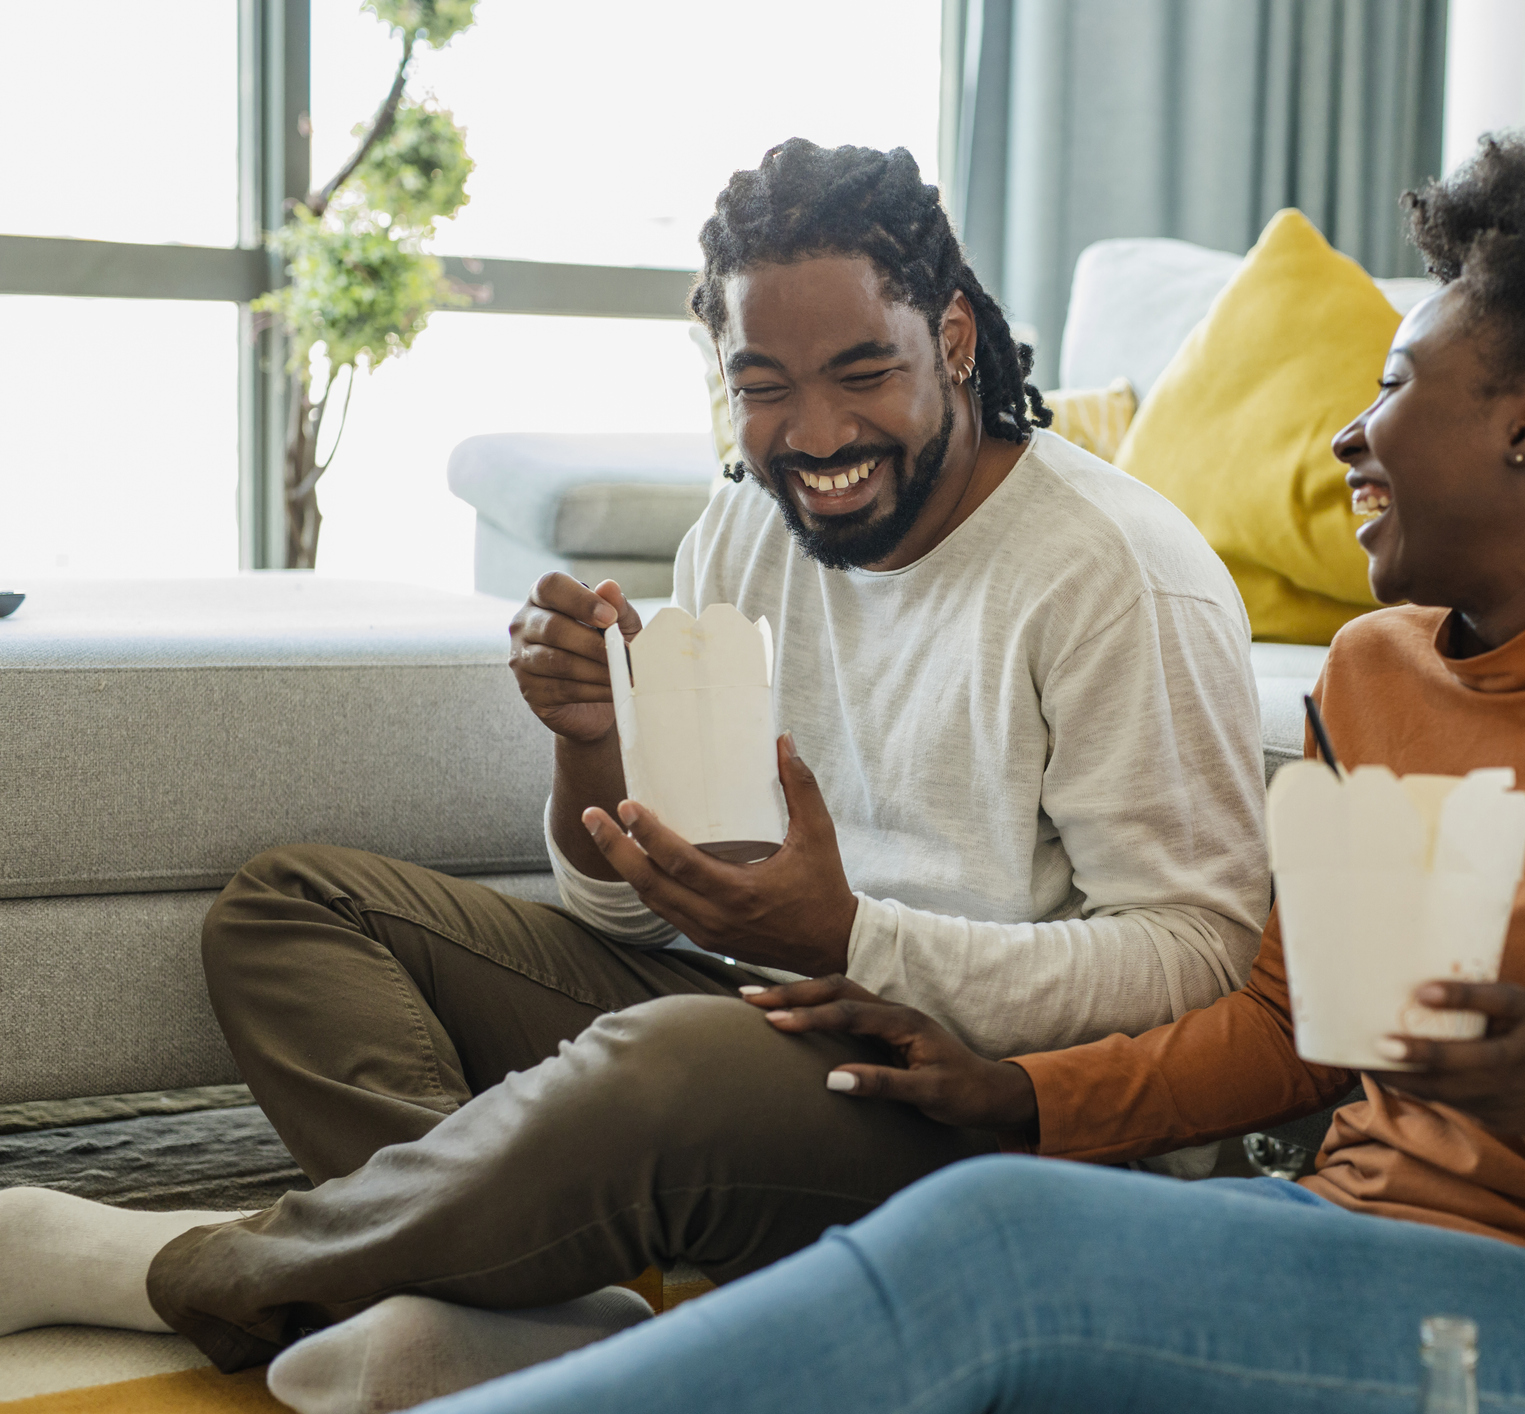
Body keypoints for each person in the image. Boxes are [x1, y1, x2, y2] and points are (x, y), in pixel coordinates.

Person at [407, 117, 1525, 1414]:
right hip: (1339, 1225)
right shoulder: (1375, 673)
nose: (1350, 430)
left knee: (997, 1246)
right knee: (983, 1238)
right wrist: (1017, 1089)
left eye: (1399, 385)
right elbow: (1284, 1026)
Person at [0, 140, 1267, 1411]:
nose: (817, 434)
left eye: (862, 373)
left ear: (951, 339)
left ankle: (171, 1265)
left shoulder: (1108, 571)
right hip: (744, 1016)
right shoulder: (744, 531)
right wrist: (591, 748)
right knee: (294, 909)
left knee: (664, 1061)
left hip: (965, 1099)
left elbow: (1200, 955)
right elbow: (628, 910)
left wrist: (858, 939)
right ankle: (517, 1310)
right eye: (764, 385)